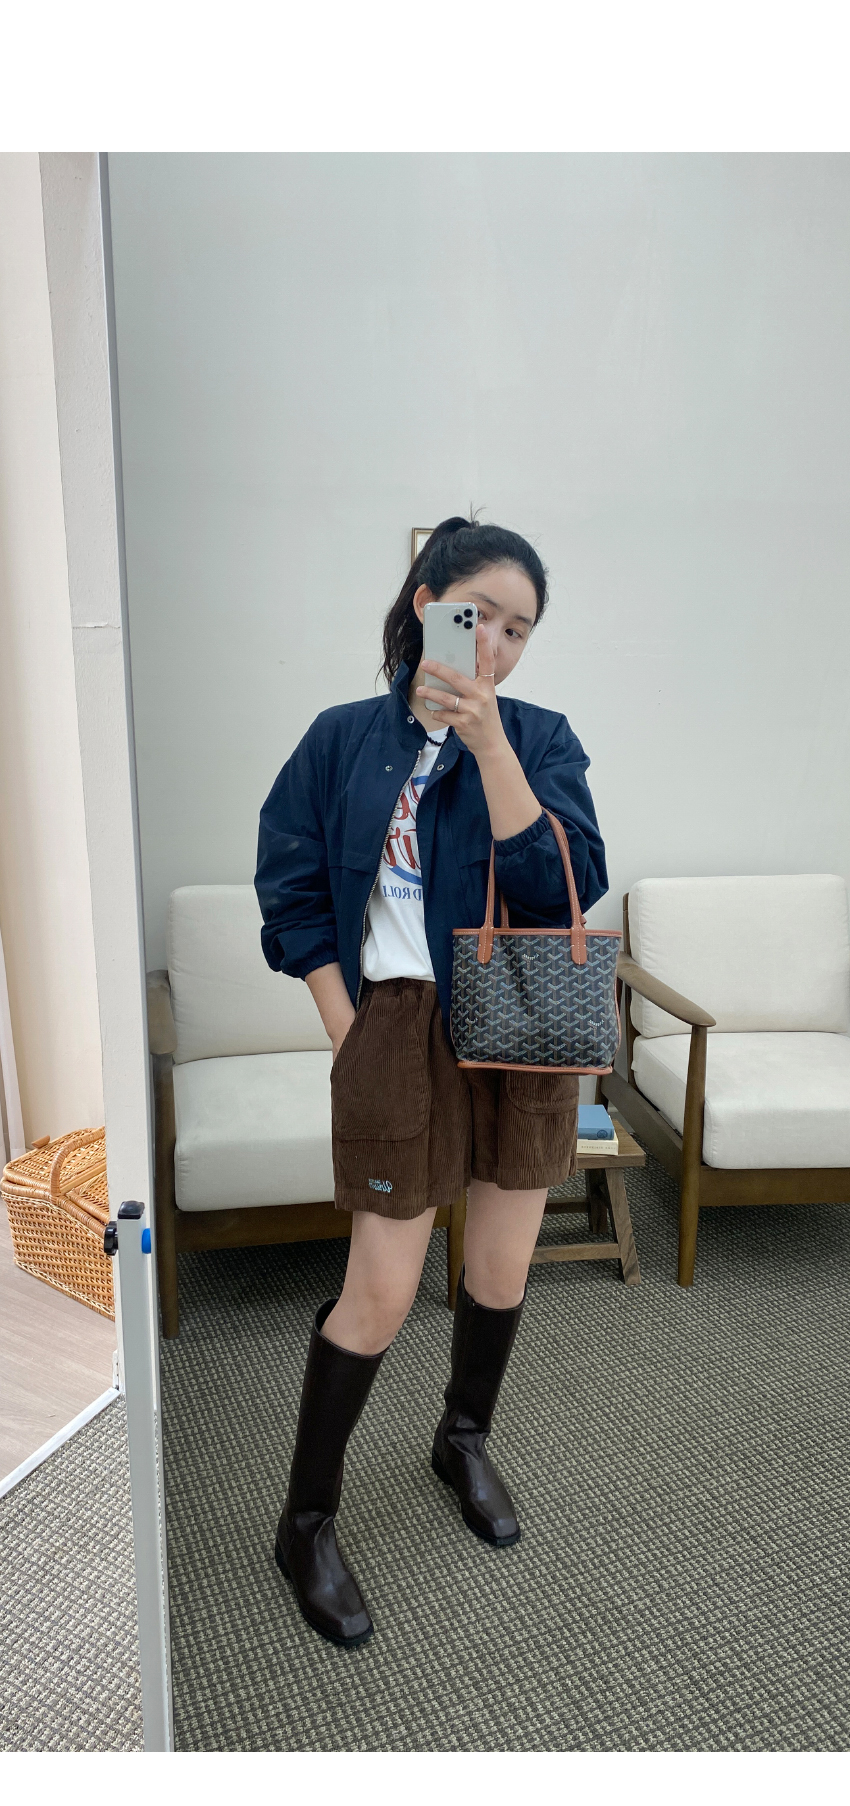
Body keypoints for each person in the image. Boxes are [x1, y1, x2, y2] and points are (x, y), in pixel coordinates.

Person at [255, 517, 607, 1648]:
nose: (494, 644)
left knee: (500, 1267)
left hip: (519, 1019)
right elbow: (291, 888)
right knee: (381, 1291)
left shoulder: (540, 738)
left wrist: (492, 747)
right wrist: (345, 1024)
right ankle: (305, 1522)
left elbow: (563, 889)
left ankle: (462, 1440)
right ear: (426, 604)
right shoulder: (342, 739)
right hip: (396, 1025)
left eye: (518, 630)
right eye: (478, 616)